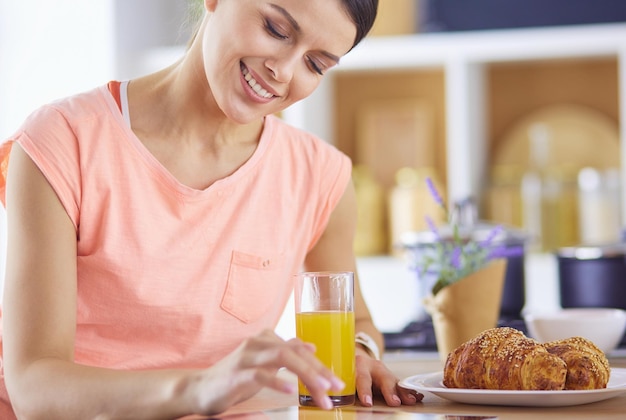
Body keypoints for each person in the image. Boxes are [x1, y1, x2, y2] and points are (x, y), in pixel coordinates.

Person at [0, 0, 424, 418]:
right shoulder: (63, 141)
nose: (284, 71)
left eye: (315, 64)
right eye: (276, 29)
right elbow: (35, 389)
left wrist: (358, 353)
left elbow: (358, 321)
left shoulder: (319, 176)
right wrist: (199, 388)